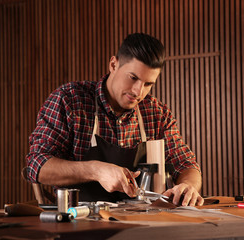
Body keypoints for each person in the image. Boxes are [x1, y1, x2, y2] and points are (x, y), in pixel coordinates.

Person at [26, 33, 204, 206]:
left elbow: (186, 164)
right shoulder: (69, 100)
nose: (138, 91)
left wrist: (188, 186)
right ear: (113, 64)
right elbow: (37, 165)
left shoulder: (157, 113)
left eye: (148, 84)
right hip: (80, 224)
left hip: (144, 226)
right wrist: (96, 170)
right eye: (133, 78)